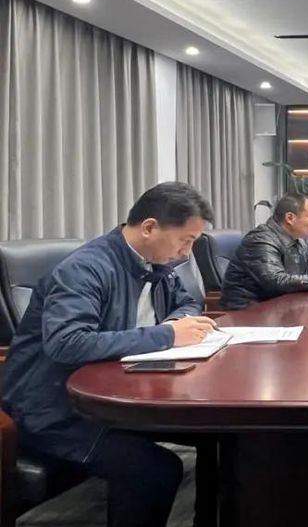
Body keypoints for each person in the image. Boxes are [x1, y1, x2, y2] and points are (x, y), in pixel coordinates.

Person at [1, 182, 217, 527]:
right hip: (56, 409)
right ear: (149, 228)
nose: (186, 253)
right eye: (185, 240)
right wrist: (167, 335)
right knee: (154, 471)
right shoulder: (85, 269)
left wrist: (176, 323)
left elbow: (187, 301)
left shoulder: (154, 264)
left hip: (119, 394)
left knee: (220, 436)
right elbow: (67, 343)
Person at [220, 193, 308, 310]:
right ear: (290, 218)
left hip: (280, 307)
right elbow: (276, 281)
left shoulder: (298, 240)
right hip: (249, 312)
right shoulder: (260, 239)